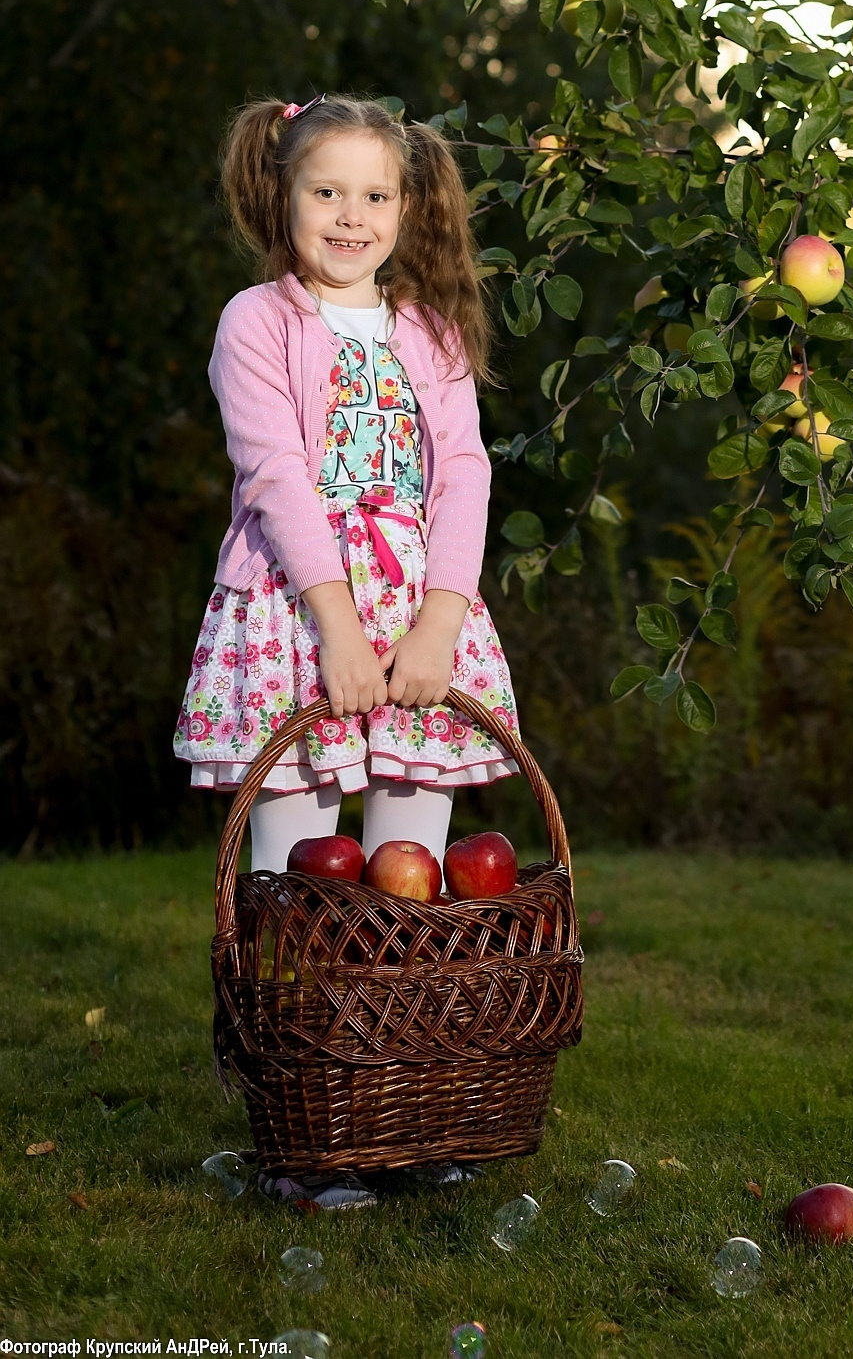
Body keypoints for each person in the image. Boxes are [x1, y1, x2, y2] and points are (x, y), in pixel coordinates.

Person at [173, 93, 520, 1208]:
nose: (350, 214)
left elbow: (464, 477)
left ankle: (404, 1111)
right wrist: (335, 626)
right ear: (282, 196)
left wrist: (439, 622)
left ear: (406, 207)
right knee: (298, 893)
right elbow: (275, 475)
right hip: (297, 612)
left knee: (408, 890)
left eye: (374, 194)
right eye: (326, 190)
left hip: (419, 620)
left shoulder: (431, 331)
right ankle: (308, 1133)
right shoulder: (255, 321)